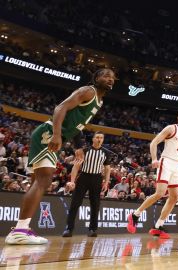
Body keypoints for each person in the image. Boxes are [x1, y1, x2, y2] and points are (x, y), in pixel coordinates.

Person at [5, 68, 115, 245]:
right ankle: (19, 231)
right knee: (44, 180)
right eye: (106, 76)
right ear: (96, 78)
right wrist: (57, 134)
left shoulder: (99, 101)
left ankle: (21, 229)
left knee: (37, 182)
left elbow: (76, 124)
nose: (110, 79)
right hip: (48, 134)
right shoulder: (88, 91)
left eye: (112, 78)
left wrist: (78, 145)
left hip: (55, 136)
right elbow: (61, 107)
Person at [126, 110, 178, 238]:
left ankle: (158, 226)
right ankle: (135, 214)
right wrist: (154, 159)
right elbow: (154, 142)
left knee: (174, 197)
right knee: (160, 193)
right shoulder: (171, 128)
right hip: (166, 161)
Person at [62, 131, 111, 237]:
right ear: (93, 139)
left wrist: (106, 182)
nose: (99, 139)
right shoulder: (84, 150)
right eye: (97, 137)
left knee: (95, 205)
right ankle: (69, 229)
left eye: (101, 138)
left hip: (97, 178)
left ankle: (92, 229)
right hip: (83, 177)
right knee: (75, 203)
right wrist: (72, 181)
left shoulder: (106, 152)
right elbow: (76, 166)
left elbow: (107, 169)